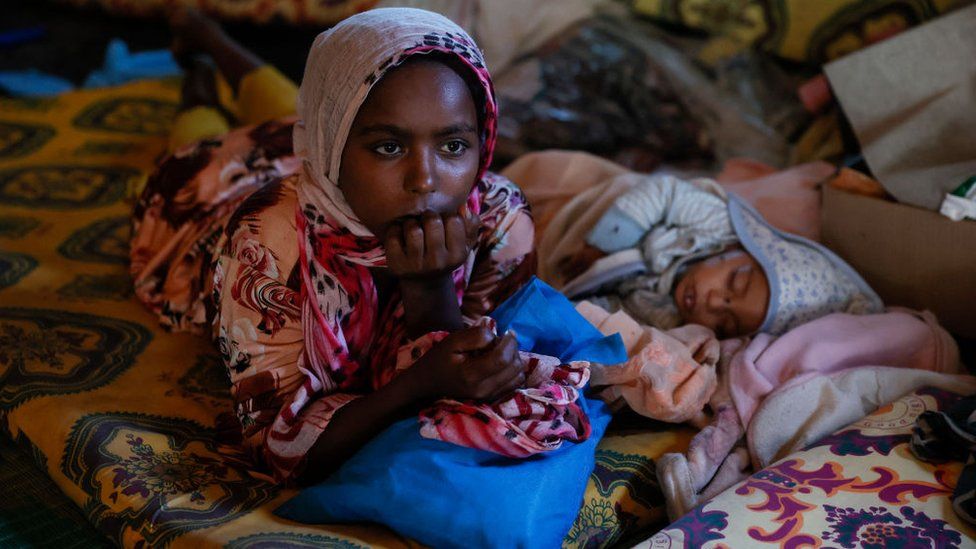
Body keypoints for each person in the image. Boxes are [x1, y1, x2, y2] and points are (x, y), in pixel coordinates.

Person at [130, 8, 539, 484]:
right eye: (389, 147)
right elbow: (276, 446)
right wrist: (419, 383)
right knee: (203, 142)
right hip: (212, 196)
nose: (425, 180)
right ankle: (198, 82)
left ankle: (208, 37)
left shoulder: (497, 218)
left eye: (452, 147)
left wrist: (431, 293)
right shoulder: (266, 241)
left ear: (481, 139)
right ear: (333, 144)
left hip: (301, 139)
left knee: (293, 109)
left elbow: (490, 373)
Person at [553, 172, 884, 338]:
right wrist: (604, 243)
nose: (712, 303)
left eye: (726, 322)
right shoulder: (717, 226)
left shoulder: (670, 319)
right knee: (569, 177)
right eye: (734, 283)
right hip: (613, 223)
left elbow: (615, 314)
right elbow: (665, 191)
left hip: (601, 278)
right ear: (737, 250)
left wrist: (570, 311)